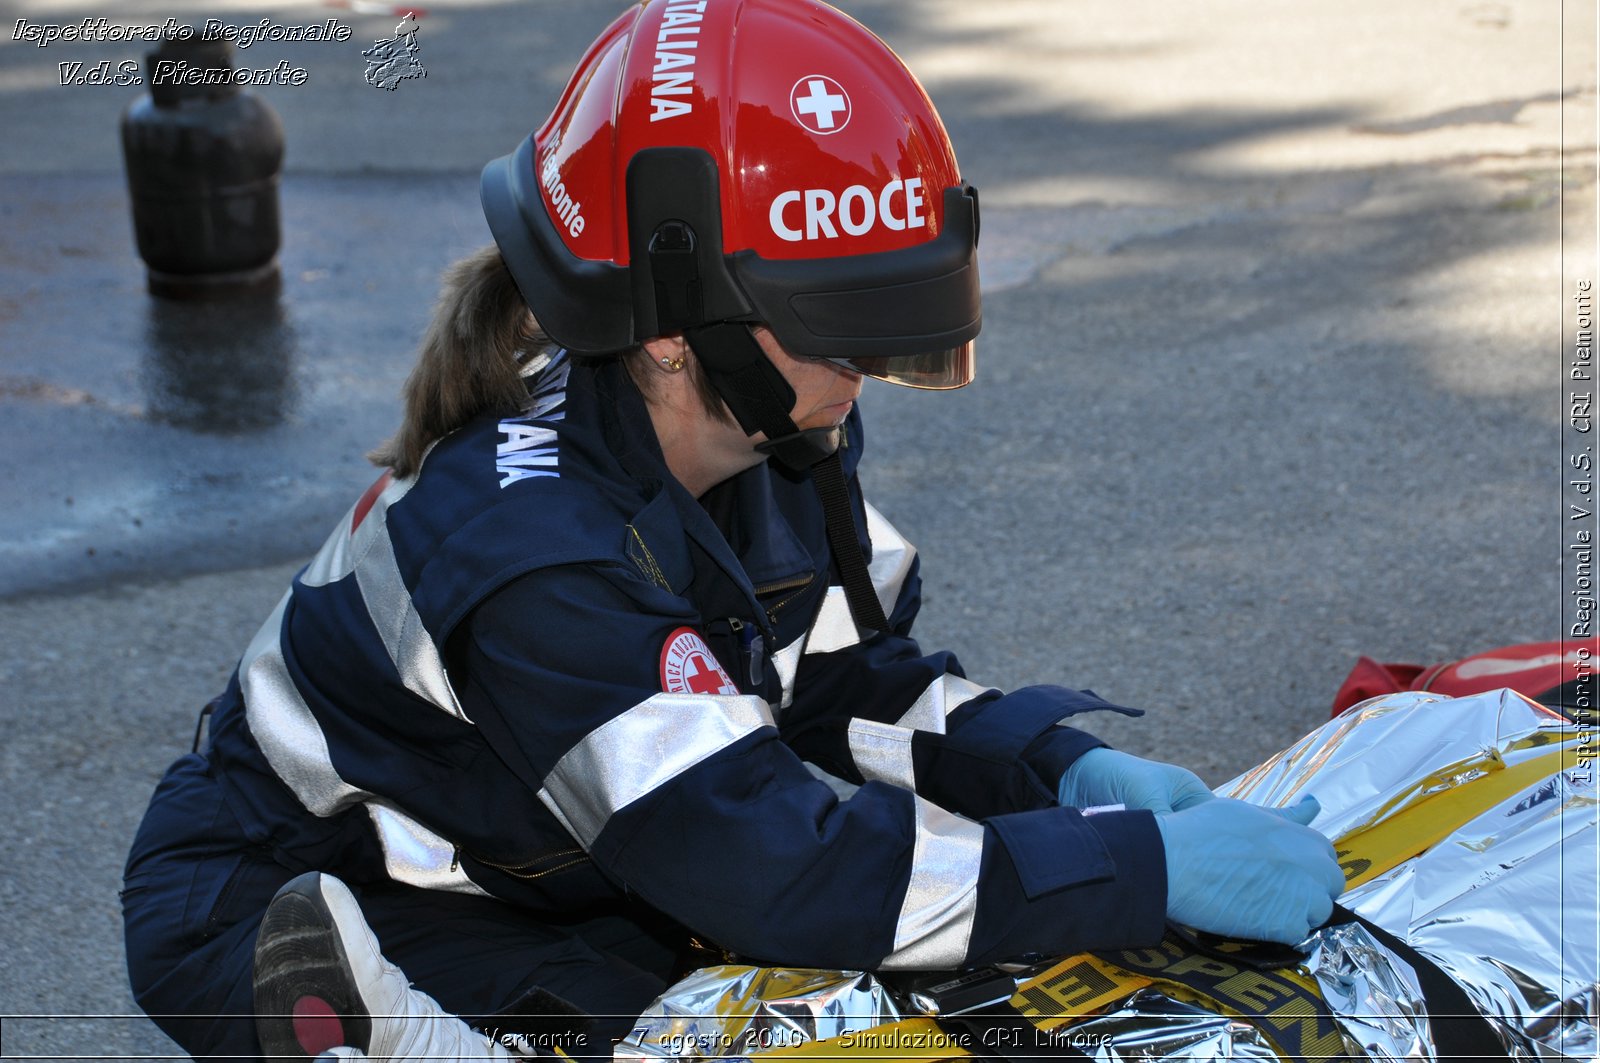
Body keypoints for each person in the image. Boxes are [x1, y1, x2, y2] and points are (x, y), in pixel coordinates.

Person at [121, 1, 1346, 1060]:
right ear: (673, 330)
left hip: (534, 867)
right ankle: (375, 1031)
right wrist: (1132, 871)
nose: (870, 370)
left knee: (842, 992)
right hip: (297, 895)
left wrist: (1061, 776)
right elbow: (778, 866)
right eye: (846, 328)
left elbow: (848, 686)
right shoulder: (533, 555)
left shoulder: (769, 429)